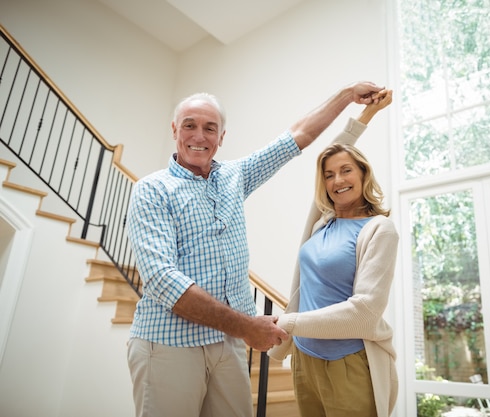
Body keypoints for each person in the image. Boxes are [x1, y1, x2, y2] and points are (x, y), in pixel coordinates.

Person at [125, 81, 386, 417]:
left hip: (228, 345)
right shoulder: (152, 189)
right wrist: (246, 327)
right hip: (167, 344)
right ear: (175, 129)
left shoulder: (235, 176)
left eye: (210, 128)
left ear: (222, 137)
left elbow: (297, 136)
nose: (199, 136)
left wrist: (347, 96)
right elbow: (162, 280)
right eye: (189, 126)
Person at [268, 90, 398, 417]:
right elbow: (331, 150)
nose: (337, 180)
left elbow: (365, 312)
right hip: (304, 359)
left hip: (347, 365)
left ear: (363, 174)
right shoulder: (320, 223)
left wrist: (289, 323)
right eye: (329, 175)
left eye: (346, 170)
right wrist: (366, 114)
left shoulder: (378, 230)